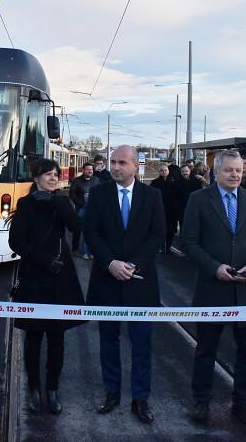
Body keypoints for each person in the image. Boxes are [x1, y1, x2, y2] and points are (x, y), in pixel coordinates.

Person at [181, 149, 246, 427]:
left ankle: (242, 405)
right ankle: (201, 401)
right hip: (212, 288)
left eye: (238, 170)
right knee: (205, 350)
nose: (235, 174)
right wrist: (214, 268)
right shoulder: (198, 200)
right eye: (229, 170)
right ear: (215, 172)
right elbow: (189, 242)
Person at [84, 145, 165, 424]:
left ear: (134, 166)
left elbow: (157, 236)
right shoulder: (98, 194)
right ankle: (112, 391)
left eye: (121, 163)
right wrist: (111, 263)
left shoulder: (152, 196)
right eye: (113, 162)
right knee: (108, 341)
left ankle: (140, 398)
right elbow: (91, 232)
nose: (115, 167)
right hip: (107, 281)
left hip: (140, 284)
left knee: (142, 343)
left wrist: (133, 265)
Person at [9, 159, 85, 414]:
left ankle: (52, 389)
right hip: (34, 276)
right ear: (36, 177)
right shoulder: (25, 204)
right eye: (48, 174)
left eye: (56, 174)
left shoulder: (61, 202)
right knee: (33, 337)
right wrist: (42, 259)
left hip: (59, 277)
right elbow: (16, 242)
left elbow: (76, 227)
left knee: (57, 337)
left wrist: (56, 203)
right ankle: (33, 387)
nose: (53, 178)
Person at [69, 162, 99, 256]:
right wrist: (79, 203)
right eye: (88, 169)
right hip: (81, 208)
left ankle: (88, 251)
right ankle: (75, 249)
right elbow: (72, 193)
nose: (90, 171)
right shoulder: (77, 180)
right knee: (78, 229)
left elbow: (100, 192)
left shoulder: (96, 180)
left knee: (90, 230)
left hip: (92, 209)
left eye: (91, 169)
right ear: (83, 170)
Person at [150, 164, 177, 254]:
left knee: (171, 230)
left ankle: (168, 247)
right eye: (162, 170)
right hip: (160, 209)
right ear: (159, 172)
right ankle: (161, 247)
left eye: (165, 170)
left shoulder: (174, 182)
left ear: (168, 171)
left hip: (172, 210)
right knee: (161, 229)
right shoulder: (155, 182)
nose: (164, 172)